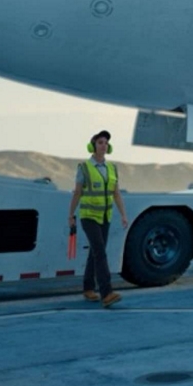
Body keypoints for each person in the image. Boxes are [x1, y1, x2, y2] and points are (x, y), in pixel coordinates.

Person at [69, 129, 128, 309]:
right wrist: (71, 215)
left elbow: (116, 194)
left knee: (95, 253)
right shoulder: (84, 168)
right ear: (93, 146)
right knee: (100, 253)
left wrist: (123, 215)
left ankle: (88, 288)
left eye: (106, 143)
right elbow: (77, 192)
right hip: (89, 217)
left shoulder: (112, 168)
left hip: (105, 217)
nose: (104, 145)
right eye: (100, 142)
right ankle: (106, 293)